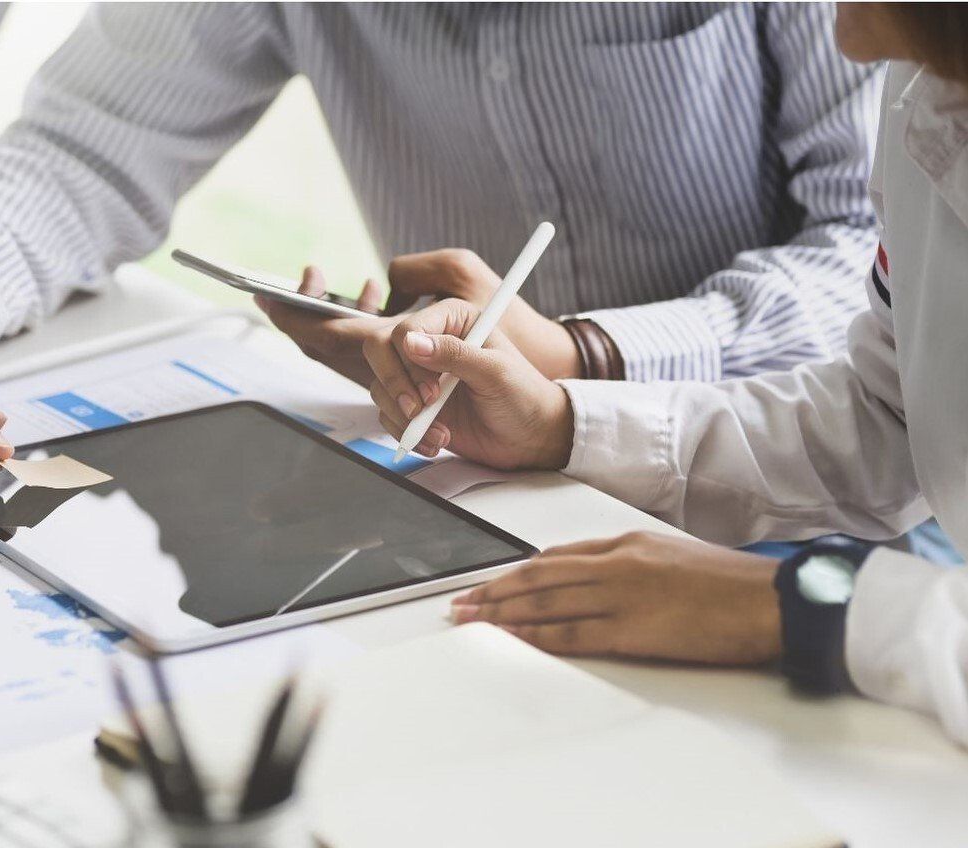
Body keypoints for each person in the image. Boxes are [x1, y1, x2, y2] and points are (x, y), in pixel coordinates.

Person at [0, 5, 881, 475]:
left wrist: (587, 358)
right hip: (492, 486)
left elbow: (884, 257)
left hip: (803, 489)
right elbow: (86, 145)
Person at [347, 4, 968, 745]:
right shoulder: (926, 86)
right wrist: (562, 425)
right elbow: (888, 418)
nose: (845, 40)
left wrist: (793, 604)